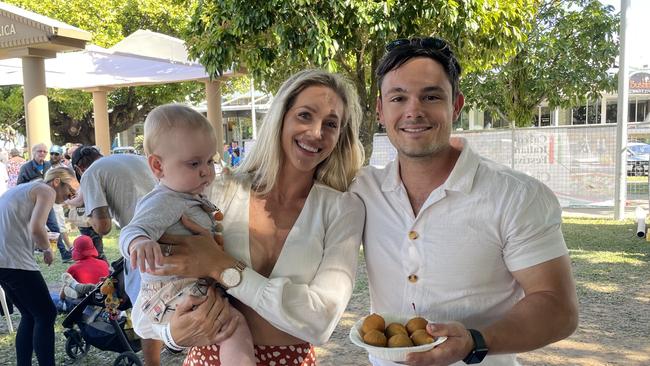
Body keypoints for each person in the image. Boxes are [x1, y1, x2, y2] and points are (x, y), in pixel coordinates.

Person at [349, 37, 579, 366]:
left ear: (456, 105)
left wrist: (475, 341)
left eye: (431, 96)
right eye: (398, 98)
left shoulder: (515, 196)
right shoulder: (362, 190)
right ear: (380, 110)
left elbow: (558, 307)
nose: (413, 110)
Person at [138, 69, 365, 366]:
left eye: (331, 124)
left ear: (340, 135)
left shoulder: (342, 208)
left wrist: (221, 266)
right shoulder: (218, 193)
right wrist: (171, 334)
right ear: (281, 118)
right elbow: (148, 294)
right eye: (305, 115)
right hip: (209, 358)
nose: (316, 132)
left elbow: (321, 320)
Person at [120, 104, 255, 365]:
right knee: (234, 325)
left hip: (188, 288)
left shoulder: (189, 195)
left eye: (209, 161)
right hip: (173, 291)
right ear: (158, 166)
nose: (206, 171)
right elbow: (132, 230)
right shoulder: (163, 200)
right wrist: (140, 242)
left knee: (230, 324)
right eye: (194, 163)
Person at [70, 145, 162, 365]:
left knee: (146, 306)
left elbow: (102, 226)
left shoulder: (91, 173)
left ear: (79, 168)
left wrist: (81, 218)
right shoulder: (133, 158)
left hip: (143, 240)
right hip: (172, 229)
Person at [0, 167, 79, 366]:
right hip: (15, 261)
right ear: (56, 182)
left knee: (30, 314)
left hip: (4, 261)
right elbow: (36, 228)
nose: (70, 196)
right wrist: (47, 249)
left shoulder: (22, 189)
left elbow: (19, 226)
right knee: (46, 314)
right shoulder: (46, 191)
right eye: (70, 190)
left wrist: (38, 242)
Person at [17, 143, 72, 262]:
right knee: (30, 228)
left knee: (54, 227)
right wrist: (35, 183)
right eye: (39, 151)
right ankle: (30, 254)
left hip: (46, 201)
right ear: (33, 153)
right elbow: (19, 185)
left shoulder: (49, 166)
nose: (42, 154)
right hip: (31, 203)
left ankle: (64, 253)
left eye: (44, 152)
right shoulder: (26, 167)